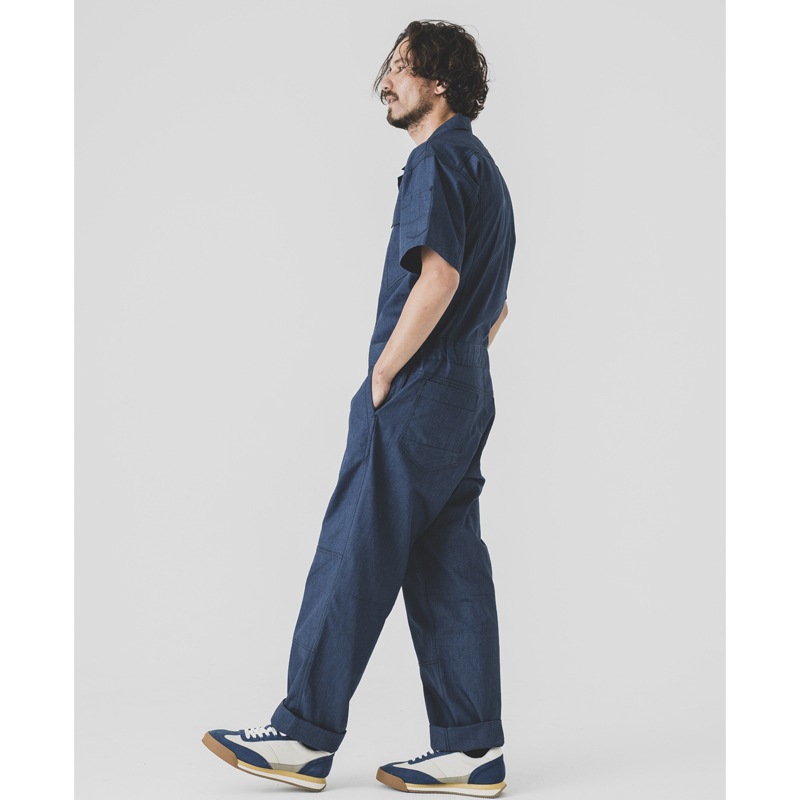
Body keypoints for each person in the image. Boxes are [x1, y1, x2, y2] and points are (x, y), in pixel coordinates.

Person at [202, 19, 515, 798]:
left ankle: (303, 735)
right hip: (466, 392)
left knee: (355, 546)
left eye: (403, 68)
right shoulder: (486, 171)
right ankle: (472, 750)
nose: (387, 80)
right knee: (447, 564)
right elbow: (497, 308)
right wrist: (455, 365)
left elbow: (439, 279)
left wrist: (385, 372)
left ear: (439, 81)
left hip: (419, 391)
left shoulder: (436, 161)